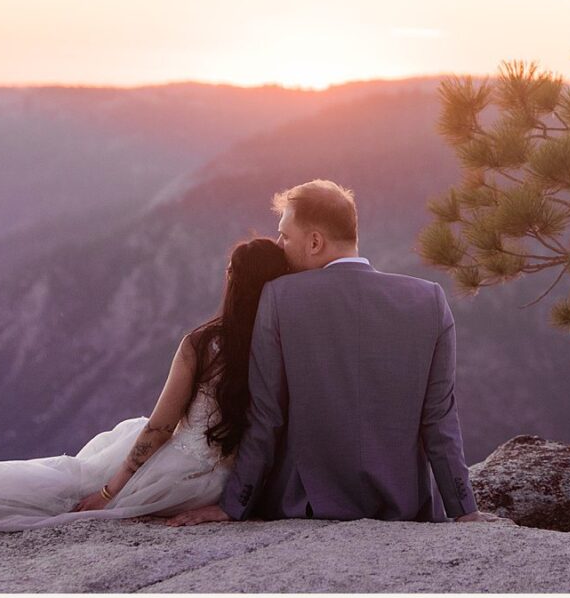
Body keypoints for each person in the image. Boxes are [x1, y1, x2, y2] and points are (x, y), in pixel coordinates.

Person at [0, 237, 290, 554]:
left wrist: (110, 491)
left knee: (71, 489)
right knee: (71, 485)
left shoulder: (203, 345)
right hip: (221, 485)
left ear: (233, 282)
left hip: (174, 470)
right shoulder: (285, 345)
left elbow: (162, 426)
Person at [166, 179, 501, 526]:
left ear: (314, 242)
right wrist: (464, 510)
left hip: (306, 506)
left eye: (286, 235)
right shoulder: (429, 300)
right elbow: (439, 418)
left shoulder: (280, 298)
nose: (279, 245)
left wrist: (232, 506)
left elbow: (266, 418)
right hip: (404, 509)